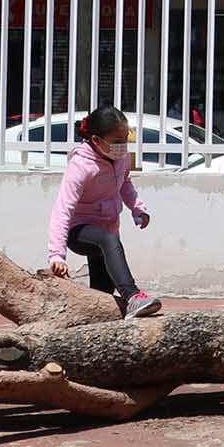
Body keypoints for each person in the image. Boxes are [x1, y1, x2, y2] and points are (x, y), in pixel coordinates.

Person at [45, 106, 163, 318]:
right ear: (97, 140)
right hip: (79, 231)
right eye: (117, 142)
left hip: (107, 229)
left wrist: (137, 208)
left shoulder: (122, 158)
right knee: (109, 241)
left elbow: (125, 183)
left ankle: (91, 328)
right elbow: (63, 209)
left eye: (125, 140)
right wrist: (57, 255)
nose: (122, 147)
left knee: (102, 295)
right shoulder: (81, 165)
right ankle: (133, 296)